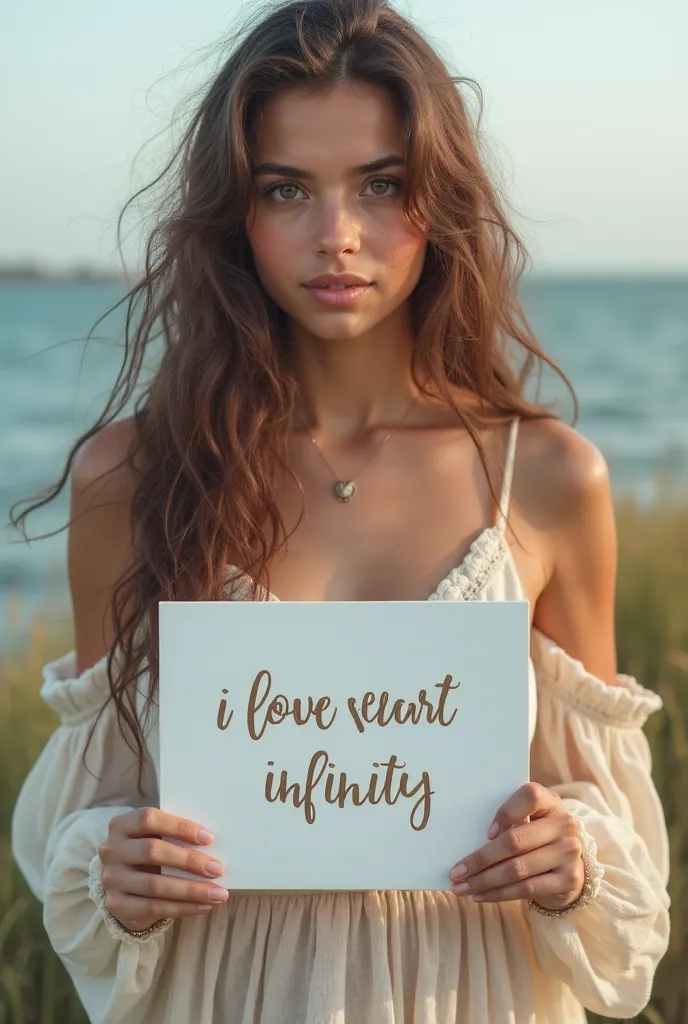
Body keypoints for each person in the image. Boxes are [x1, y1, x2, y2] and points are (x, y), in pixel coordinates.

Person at [10, 0, 670, 1021]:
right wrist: (117, 870)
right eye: (286, 189)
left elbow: (615, 844)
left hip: (473, 992)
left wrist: (568, 857)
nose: (337, 236)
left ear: (439, 199)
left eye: (381, 185)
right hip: (227, 992)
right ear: (235, 210)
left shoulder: (542, 477)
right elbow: (94, 817)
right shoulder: (131, 476)